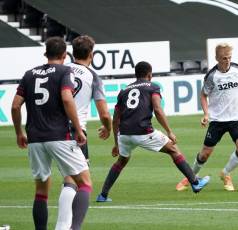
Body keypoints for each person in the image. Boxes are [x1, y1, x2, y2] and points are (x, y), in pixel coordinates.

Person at [95, 61, 210, 202]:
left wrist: (116, 143)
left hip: (124, 134)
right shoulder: (152, 87)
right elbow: (157, 109)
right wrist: (169, 131)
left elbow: (115, 119)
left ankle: (103, 195)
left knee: (121, 161)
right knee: (173, 149)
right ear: (149, 75)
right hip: (143, 131)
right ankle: (195, 183)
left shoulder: (123, 91)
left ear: (135, 74)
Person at [11, 37, 92, 230]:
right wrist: (78, 129)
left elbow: (15, 106)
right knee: (85, 183)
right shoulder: (65, 71)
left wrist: (19, 133)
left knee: (41, 191)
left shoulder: (29, 74)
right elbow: (66, 98)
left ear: (45, 53)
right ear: (65, 55)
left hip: (35, 139)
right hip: (60, 136)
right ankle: (74, 228)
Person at [176, 43, 238, 192]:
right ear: (217, 58)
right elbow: (203, 95)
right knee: (205, 154)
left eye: (229, 57)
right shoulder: (212, 76)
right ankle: (190, 177)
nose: (227, 61)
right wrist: (206, 114)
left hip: (237, 118)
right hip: (217, 120)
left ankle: (225, 174)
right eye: (223, 58)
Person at [55, 35, 111, 230]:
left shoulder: (62, 70)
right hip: (76, 132)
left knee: (69, 179)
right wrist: (108, 127)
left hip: (54, 130)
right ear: (91, 54)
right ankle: (70, 228)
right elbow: (104, 112)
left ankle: (62, 227)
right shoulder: (92, 75)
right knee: (81, 182)